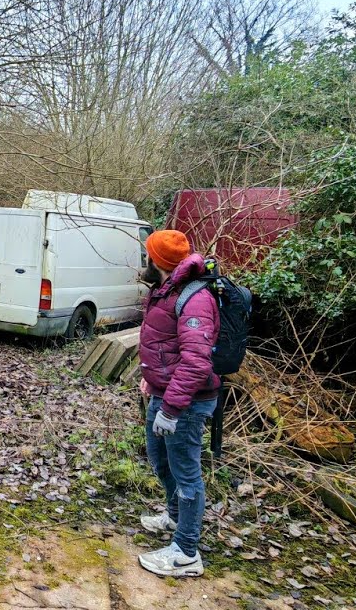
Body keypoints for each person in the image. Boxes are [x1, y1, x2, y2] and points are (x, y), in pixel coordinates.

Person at [135, 229, 220, 578]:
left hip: (185, 404)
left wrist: (171, 409)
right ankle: (172, 515)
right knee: (159, 459)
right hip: (164, 392)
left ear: (161, 261)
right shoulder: (167, 289)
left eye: (149, 255)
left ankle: (186, 553)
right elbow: (164, 341)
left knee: (186, 474)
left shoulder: (195, 298)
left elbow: (197, 361)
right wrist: (152, 377)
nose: (146, 260)